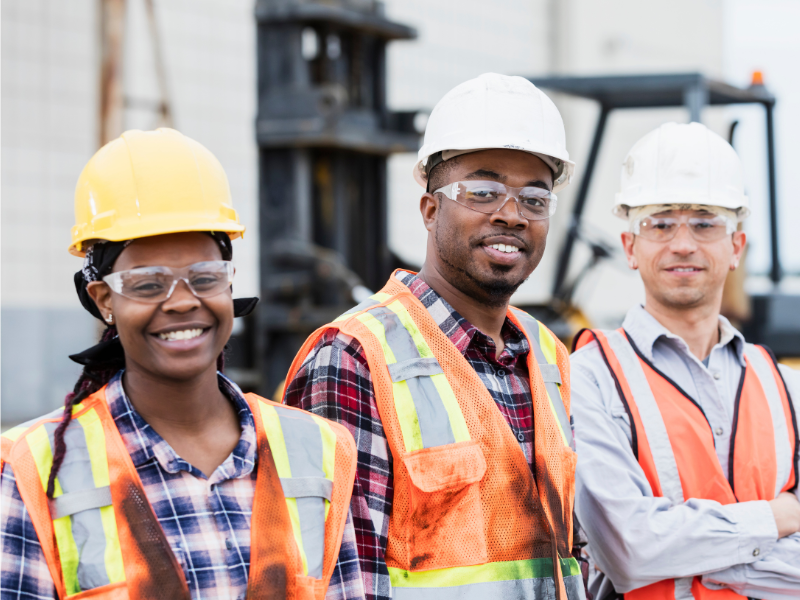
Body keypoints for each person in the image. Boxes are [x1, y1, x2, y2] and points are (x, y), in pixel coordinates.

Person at [0, 128, 362, 600]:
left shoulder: (319, 449)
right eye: (148, 283)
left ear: (230, 284)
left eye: (204, 277)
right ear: (103, 299)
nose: (181, 302)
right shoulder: (33, 468)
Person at [284, 73, 587, 600]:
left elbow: (570, 554)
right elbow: (339, 582)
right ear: (429, 210)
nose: (511, 214)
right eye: (483, 191)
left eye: (534, 198)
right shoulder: (355, 356)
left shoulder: (550, 357)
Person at [571, 122, 800, 600]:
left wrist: (690, 552)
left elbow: (651, 547)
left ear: (735, 246)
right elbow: (629, 550)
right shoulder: (588, 378)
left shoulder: (785, 385)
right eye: (659, 223)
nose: (682, 243)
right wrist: (778, 518)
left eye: (704, 223)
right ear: (631, 246)